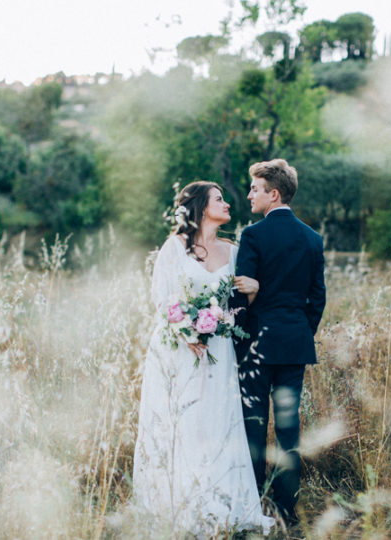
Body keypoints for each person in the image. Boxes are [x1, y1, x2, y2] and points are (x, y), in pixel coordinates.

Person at [132, 181, 274, 537]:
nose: (228, 204)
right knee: (182, 421)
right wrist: (186, 331)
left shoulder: (234, 250)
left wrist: (255, 292)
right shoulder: (174, 247)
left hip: (220, 350)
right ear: (199, 207)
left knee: (216, 420)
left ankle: (222, 506)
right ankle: (176, 504)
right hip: (179, 349)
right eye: (219, 199)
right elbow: (162, 298)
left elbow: (240, 305)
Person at [233, 159, 326, 527]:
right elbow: (316, 299)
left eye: (254, 188)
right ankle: (290, 512)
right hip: (293, 346)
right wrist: (301, 332)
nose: (249, 194)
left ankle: (253, 506)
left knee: (253, 426)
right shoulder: (313, 238)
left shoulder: (252, 236)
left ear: (273, 194)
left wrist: (241, 342)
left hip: (255, 347)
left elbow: (242, 298)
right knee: (289, 428)